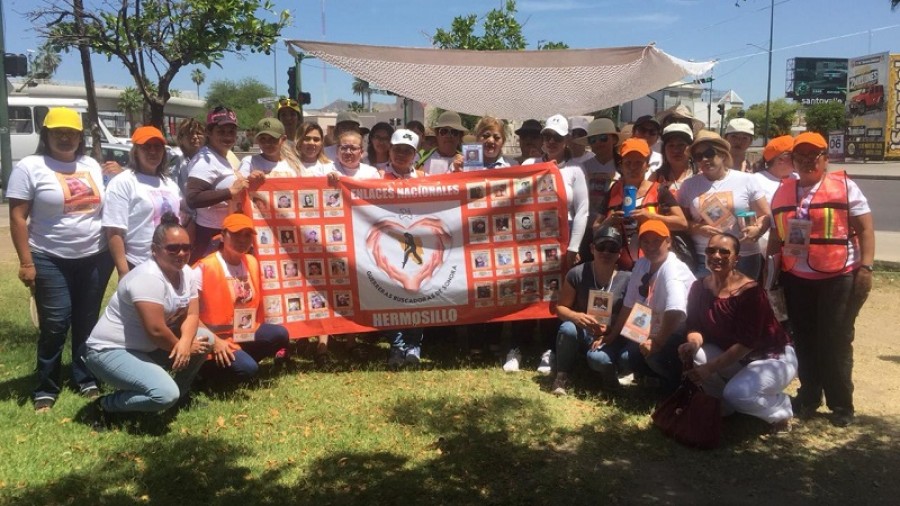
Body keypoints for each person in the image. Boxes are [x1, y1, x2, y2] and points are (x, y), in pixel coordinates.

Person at [7, 107, 115, 411]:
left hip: (95, 256)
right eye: (59, 132)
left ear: (80, 136)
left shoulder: (91, 164)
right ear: (47, 134)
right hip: (49, 257)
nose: (66, 138)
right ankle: (47, 385)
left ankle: (85, 377)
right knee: (55, 324)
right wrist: (26, 262)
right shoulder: (30, 166)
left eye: (72, 132)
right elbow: (18, 218)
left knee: (87, 322)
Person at [767, 132, 875, 427]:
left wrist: (866, 268)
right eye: (800, 156)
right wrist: (771, 273)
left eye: (814, 155)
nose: (807, 161)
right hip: (796, 277)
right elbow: (776, 236)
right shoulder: (783, 190)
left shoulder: (845, 187)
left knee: (835, 340)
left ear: (826, 159)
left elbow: (865, 229)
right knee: (804, 338)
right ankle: (809, 396)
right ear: (792, 160)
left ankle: (841, 404)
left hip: (837, 277)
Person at [83, 214, 212, 421]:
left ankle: (180, 395)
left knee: (206, 339)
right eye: (172, 248)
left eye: (186, 248)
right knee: (164, 394)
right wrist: (182, 347)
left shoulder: (186, 272)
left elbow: (192, 313)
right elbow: (156, 331)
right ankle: (104, 406)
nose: (181, 253)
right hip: (110, 350)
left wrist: (186, 343)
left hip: (148, 347)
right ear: (154, 249)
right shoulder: (148, 278)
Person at [678, 233, 796, 433]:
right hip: (736, 357)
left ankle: (780, 410)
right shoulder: (699, 287)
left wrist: (710, 369)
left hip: (770, 358)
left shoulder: (750, 292)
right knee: (698, 354)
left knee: (738, 393)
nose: (716, 255)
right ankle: (724, 406)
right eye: (711, 250)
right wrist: (692, 344)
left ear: (736, 259)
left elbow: (746, 343)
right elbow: (695, 327)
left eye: (724, 252)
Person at [194, 214, 291, 382]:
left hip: (243, 332)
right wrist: (214, 341)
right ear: (223, 236)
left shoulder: (251, 261)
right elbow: (188, 315)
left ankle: (239, 360)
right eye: (236, 234)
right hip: (212, 339)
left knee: (280, 334)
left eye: (247, 235)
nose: (242, 239)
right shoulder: (203, 268)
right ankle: (203, 374)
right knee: (248, 370)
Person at [603, 220, 695, 394]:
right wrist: (613, 335)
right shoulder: (642, 263)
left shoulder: (673, 270)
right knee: (625, 359)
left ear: (668, 242)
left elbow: (676, 311)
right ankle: (656, 379)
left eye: (656, 241)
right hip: (650, 324)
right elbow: (629, 303)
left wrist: (657, 342)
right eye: (646, 241)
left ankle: (678, 385)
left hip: (678, 332)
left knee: (653, 356)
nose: (650, 246)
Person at [677, 130, 771, 279]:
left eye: (709, 153)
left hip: (744, 255)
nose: (704, 159)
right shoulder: (688, 186)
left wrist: (757, 229)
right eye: (698, 156)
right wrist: (699, 228)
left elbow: (765, 215)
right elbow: (682, 223)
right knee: (708, 301)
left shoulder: (747, 180)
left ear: (722, 154)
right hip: (705, 256)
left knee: (743, 301)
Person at [552, 227, 633, 395]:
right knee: (567, 328)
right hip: (584, 332)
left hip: (610, 337)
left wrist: (612, 332)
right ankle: (562, 376)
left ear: (620, 253)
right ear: (592, 248)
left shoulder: (627, 279)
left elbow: (634, 315)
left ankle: (609, 378)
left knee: (599, 360)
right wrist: (576, 316)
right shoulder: (578, 273)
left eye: (612, 248)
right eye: (601, 247)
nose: (606, 252)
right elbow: (560, 308)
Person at [104, 126, 185, 278]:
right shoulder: (123, 182)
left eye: (157, 147)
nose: (153, 151)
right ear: (135, 151)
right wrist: (123, 272)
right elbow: (114, 231)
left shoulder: (170, 184)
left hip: (171, 261)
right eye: (146, 147)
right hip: (139, 263)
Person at [593, 138, 687, 269]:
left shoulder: (659, 190)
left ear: (647, 165)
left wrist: (651, 217)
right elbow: (595, 227)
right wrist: (609, 222)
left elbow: (682, 223)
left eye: (638, 163)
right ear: (621, 166)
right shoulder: (613, 190)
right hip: (618, 264)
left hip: (651, 262)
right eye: (628, 163)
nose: (633, 167)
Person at [185, 106, 249, 263]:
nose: (227, 137)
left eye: (231, 132)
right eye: (221, 132)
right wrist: (229, 192)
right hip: (209, 236)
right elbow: (192, 198)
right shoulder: (205, 160)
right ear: (209, 132)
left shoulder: (221, 157)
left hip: (224, 232)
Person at [753, 135, 796, 253]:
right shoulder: (756, 180)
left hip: (796, 245)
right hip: (766, 247)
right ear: (781, 159)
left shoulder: (798, 178)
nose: (800, 158)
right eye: (794, 155)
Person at [577, 117, 619, 217]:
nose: (598, 143)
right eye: (593, 140)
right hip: (587, 224)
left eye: (603, 138)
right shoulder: (583, 167)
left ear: (614, 139)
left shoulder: (624, 165)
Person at [239, 118, 301, 186]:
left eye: (273, 139)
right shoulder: (249, 162)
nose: (267, 143)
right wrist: (249, 180)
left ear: (283, 139)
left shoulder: (294, 164)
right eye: (262, 139)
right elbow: (238, 189)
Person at [650, 123, 695, 198]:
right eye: (671, 145)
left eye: (681, 145)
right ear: (664, 150)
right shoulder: (656, 176)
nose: (676, 150)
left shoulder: (699, 173)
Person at [171, 118, 206, 196]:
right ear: (180, 139)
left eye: (198, 133)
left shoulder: (207, 158)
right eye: (190, 133)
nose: (195, 137)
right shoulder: (174, 156)